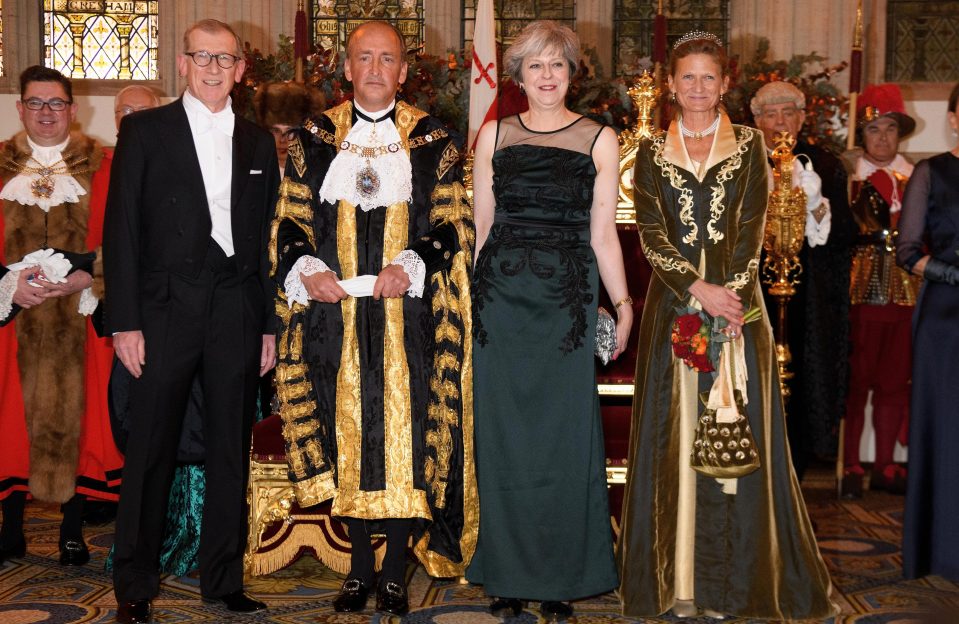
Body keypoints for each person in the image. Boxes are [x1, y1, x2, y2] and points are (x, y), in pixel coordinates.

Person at [617, 32, 835, 619]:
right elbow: (652, 236)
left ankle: (727, 587)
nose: (697, 88)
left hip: (740, 312)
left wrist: (726, 299)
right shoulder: (648, 153)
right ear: (668, 85)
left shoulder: (748, 146)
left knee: (732, 436)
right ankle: (677, 583)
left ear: (725, 83)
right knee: (674, 437)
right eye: (686, 77)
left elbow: (751, 232)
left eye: (708, 78)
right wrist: (696, 290)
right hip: (673, 307)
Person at [269, 20, 476, 617]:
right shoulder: (316, 133)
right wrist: (304, 264)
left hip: (406, 317)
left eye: (388, 59)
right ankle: (358, 568)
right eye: (366, 58)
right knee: (350, 435)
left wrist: (413, 262)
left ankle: (393, 571)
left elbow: (455, 222)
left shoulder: (433, 138)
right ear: (348, 67)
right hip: (334, 318)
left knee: (404, 441)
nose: (377, 69)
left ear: (405, 71)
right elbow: (289, 215)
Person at [103, 18, 279, 624]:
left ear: (240, 69)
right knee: (151, 447)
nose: (212, 67)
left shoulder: (258, 143)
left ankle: (222, 579)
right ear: (182, 64)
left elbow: (262, 245)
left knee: (231, 446)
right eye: (201, 56)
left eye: (224, 59)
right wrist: (125, 322)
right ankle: (135, 582)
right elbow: (120, 229)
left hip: (235, 306)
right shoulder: (146, 132)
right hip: (165, 310)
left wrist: (267, 326)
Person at [464, 20, 631, 622]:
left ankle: (561, 578)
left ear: (572, 72)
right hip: (500, 304)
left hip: (566, 301)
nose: (546, 76)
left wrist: (624, 303)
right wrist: (471, 303)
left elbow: (603, 233)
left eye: (557, 65)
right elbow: (481, 230)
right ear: (518, 75)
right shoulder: (495, 135)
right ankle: (506, 575)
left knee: (564, 440)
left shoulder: (599, 139)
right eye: (535, 65)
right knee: (504, 439)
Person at [0, 65, 121, 567]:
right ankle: (11, 530)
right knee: (9, 422)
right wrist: (7, 286)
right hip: (13, 320)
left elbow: (125, 238)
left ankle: (72, 529)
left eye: (55, 103)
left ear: (73, 109)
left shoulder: (104, 166)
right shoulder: (1, 168)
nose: (46, 113)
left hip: (80, 315)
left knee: (83, 417)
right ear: (20, 108)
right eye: (35, 103)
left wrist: (88, 278)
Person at [750, 81, 856, 479]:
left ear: (801, 118)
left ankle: (796, 465)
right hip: (754, 289)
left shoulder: (824, 165)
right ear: (756, 121)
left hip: (809, 295)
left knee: (805, 381)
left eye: (787, 113)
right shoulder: (740, 162)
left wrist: (813, 207)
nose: (780, 122)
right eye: (771, 115)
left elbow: (843, 234)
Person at [841, 83, 918, 499]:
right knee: (857, 381)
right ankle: (851, 462)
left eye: (889, 128)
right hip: (860, 290)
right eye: (873, 129)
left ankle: (885, 464)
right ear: (862, 135)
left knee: (893, 382)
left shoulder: (919, 176)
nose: (883, 137)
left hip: (905, 291)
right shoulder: (848, 178)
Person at [898, 82, 959, 582]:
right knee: (944, 432)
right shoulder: (930, 172)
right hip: (945, 318)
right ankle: (941, 555)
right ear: (954, 118)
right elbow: (908, 251)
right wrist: (953, 274)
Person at [253, 81, 325, 177]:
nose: (282, 140)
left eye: (291, 131)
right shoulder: (254, 170)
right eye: (275, 131)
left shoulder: (317, 176)